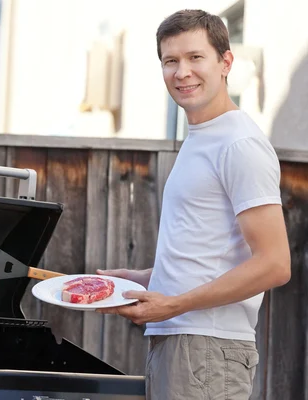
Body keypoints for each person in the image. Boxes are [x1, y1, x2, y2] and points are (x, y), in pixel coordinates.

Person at [96, 9, 291, 400]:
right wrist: (145, 278)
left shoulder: (239, 143)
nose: (182, 71)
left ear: (226, 62)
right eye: (171, 61)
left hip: (207, 349)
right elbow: (212, 254)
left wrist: (173, 304)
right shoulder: (204, 137)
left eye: (195, 57)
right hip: (183, 344)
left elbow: (274, 263)